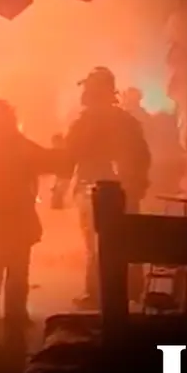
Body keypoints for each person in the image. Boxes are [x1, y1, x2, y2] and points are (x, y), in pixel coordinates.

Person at [53, 67, 150, 309]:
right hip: (124, 192)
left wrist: (60, 190)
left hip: (93, 191)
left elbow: (68, 158)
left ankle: (97, 294)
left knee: (96, 243)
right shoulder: (127, 122)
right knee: (127, 239)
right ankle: (130, 290)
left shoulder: (86, 123)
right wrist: (136, 185)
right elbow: (142, 157)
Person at [0, 100, 63, 326]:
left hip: (6, 217)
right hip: (9, 217)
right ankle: (7, 312)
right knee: (9, 266)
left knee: (2, 264)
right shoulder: (5, 146)